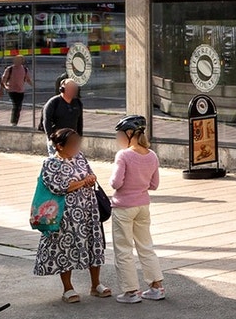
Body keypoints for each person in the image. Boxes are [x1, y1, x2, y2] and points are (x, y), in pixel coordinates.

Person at [34, 128, 109, 303]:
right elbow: (59, 187)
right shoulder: (50, 163)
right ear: (59, 146)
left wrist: (90, 179)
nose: (76, 147)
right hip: (66, 214)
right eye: (72, 144)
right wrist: (83, 182)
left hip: (88, 210)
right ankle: (68, 288)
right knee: (65, 248)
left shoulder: (80, 157)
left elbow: (90, 174)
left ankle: (95, 284)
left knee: (93, 244)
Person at [109, 114, 165, 305]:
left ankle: (131, 291)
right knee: (145, 246)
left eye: (120, 135)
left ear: (130, 133)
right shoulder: (152, 155)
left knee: (124, 249)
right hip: (143, 205)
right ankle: (157, 287)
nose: (119, 138)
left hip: (123, 207)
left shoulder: (123, 155)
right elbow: (154, 184)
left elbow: (116, 182)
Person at [42, 77, 83, 151]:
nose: (72, 90)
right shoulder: (53, 102)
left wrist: (79, 137)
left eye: (74, 88)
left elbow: (79, 121)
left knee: (71, 161)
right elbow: (46, 121)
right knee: (58, 161)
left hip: (71, 140)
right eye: (70, 88)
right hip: (57, 140)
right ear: (62, 89)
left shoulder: (77, 103)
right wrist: (50, 138)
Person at [3, 54, 32, 126]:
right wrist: (5, 86)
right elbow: (4, 79)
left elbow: (28, 79)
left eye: (20, 60)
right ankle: (13, 121)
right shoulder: (10, 69)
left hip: (20, 90)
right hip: (12, 90)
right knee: (16, 105)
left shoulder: (25, 69)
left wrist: (33, 85)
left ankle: (16, 121)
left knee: (19, 106)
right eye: (17, 60)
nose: (18, 62)